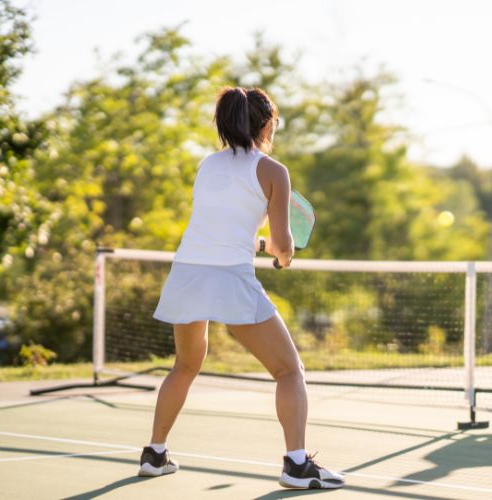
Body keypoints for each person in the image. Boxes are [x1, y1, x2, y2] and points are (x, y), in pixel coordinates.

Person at [138, 87, 345, 489]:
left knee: (184, 365)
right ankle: (297, 464)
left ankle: (155, 453)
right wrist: (283, 256)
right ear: (267, 125)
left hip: (186, 273)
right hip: (229, 276)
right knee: (289, 371)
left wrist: (265, 246)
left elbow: (230, 232)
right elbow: (285, 246)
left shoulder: (207, 166)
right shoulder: (273, 171)